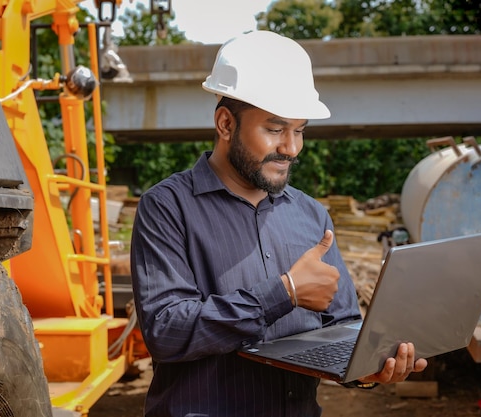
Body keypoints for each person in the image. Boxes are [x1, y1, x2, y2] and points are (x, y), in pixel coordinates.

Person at [130, 30, 427, 417]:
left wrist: (373, 367)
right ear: (225, 124)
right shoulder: (167, 207)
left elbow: (343, 328)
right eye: (275, 129)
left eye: (300, 130)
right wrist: (283, 292)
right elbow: (166, 331)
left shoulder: (311, 216)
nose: (291, 147)